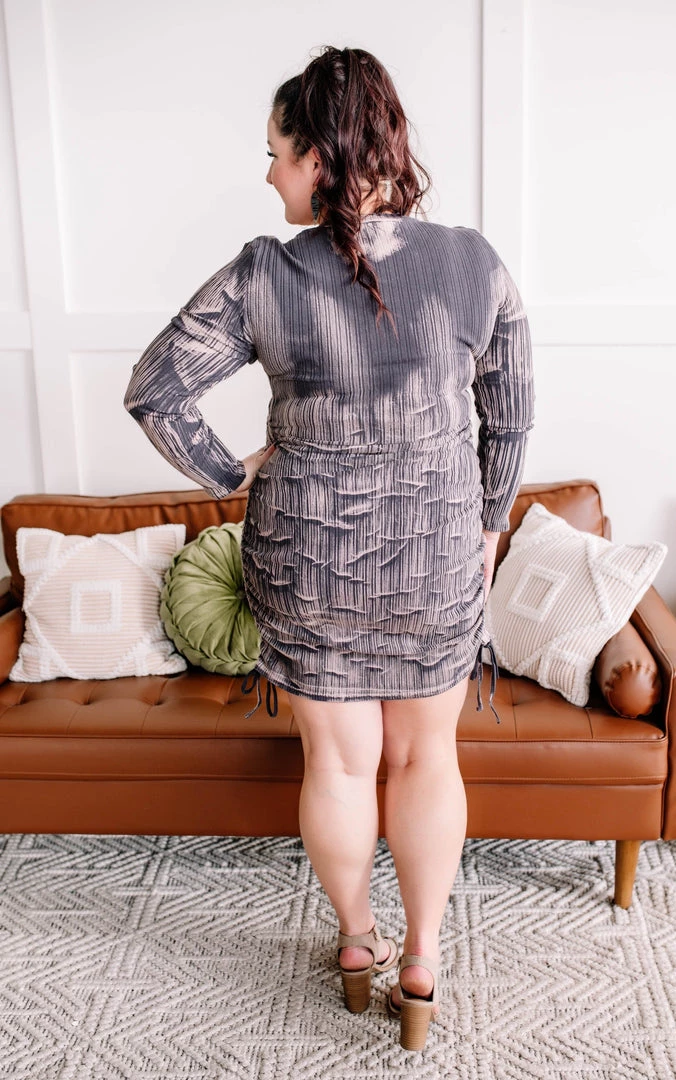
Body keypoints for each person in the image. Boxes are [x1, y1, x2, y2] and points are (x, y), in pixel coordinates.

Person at [124, 45, 534, 1052]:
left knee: (341, 768)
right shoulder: (473, 262)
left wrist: (231, 473)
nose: (268, 174)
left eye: (275, 152)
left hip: (309, 558)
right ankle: (420, 962)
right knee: (426, 756)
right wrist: (487, 523)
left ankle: (356, 943)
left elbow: (154, 390)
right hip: (435, 555)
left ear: (319, 154)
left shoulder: (264, 272)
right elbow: (512, 413)